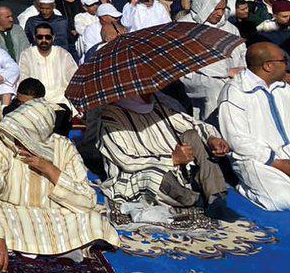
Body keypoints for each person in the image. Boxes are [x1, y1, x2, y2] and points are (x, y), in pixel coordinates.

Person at [0, 100, 119, 271]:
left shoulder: (64, 147)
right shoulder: (3, 145)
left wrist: (49, 169)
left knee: (94, 220)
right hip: (14, 214)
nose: (17, 141)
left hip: (55, 214)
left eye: (23, 136)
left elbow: (86, 199)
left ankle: (34, 248)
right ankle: (61, 248)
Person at [98, 93, 236, 221]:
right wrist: (171, 159)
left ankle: (215, 197)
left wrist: (212, 138)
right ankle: (192, 200)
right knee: (154, 172)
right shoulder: (110, 117)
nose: (151, 92)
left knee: (193, 135)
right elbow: (126, 161)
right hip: (140, 174)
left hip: (177, 169)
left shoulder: (157, 108)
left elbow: (193, 123)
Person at [217, 42, 290, 211]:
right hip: (256, 159)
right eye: (284, 60)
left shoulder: (283, 87)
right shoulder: (234, 92)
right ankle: (243, 186)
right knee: (283, 199)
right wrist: (279, 163)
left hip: (286, 152)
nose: (287, 64)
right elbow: (237, 141)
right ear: (268, 66)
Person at [17, 22, 79, 110]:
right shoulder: (27, 55)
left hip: (61, 100)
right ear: (34, 38)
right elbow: (24, 80)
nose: (44, 40)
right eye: (40, 37)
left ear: (53, 38)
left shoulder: (63, 54)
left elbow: (74, 78)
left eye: (48, 37)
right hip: (36, 102)